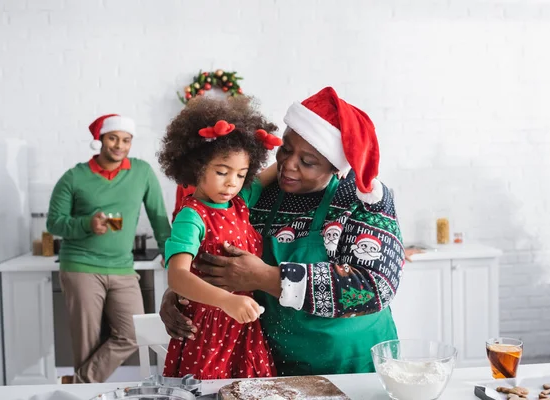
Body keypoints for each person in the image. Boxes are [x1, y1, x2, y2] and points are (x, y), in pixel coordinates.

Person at [160, 87, 406, 375]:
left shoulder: (360, 200)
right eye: (286, 149)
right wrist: (180, 293)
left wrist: (265, 276)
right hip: (271, 363)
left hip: (351, 364)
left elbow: (374, 286)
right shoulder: (255, 195)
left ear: (334, 166)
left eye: (308, 161)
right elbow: (208, 247)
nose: (288, 165)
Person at [157, 96, 282, 379]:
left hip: (244, 325)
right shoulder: (191, 216)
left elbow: (278, 166)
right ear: (196, 167)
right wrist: (226, 301)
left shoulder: (240, 201)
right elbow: (177, 277)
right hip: (208, 331)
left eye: (240, 175)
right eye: (222, 172)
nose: (231, 183)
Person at [47, 114, 171, 383]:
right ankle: (86, 393)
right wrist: (86, 224)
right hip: (81, 266)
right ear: (100, 140)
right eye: (113, 138)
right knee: (86, 344)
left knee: (134, 333)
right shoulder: (74, 177)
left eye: (126, 140)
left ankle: (76, 385)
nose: (119, 145)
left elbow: (158, 216)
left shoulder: (142, 172)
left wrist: (169, 252)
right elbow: (54, 222)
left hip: (122, 267)